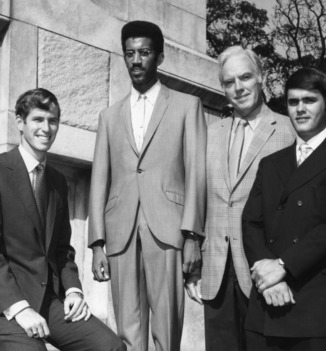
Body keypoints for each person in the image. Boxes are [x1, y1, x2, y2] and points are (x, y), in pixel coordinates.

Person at [88, 20, 207, 351]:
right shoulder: (109, 117)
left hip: (168, 229)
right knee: (127, 327)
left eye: (144, 53)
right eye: (129, 54)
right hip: (120, 233)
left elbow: (196, 173)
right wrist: (97, 242)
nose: (136, 60)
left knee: (166, 329)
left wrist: (192, 237)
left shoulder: (187, 106)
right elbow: (100, 180)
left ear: (160, 57)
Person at [185, 45, 295, 351]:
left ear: (261, 77)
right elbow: (198, 198)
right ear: (222, 88)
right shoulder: (209, 133)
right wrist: (192, 257)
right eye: (229, 81)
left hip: (265, 272)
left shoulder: (289, 131)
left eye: (245, 77)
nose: (238, 87)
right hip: (216, 271)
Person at [0, 88, 125, 351]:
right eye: (38, 119)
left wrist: (74, 291)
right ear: (20, 122)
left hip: (49, 300)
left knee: (110, 346)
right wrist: (19, 308)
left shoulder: (56, 181)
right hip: (6, 304)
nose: (46, 128)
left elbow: (62, 250)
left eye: (53, 120)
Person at [242, 67, 326, 350]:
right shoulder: (271, 163)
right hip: (267, 303)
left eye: (309, 100)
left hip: (318, 309)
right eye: (293, 102)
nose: (300, 109)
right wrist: (268, 275)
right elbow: (251, 222)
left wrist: (283, 266)